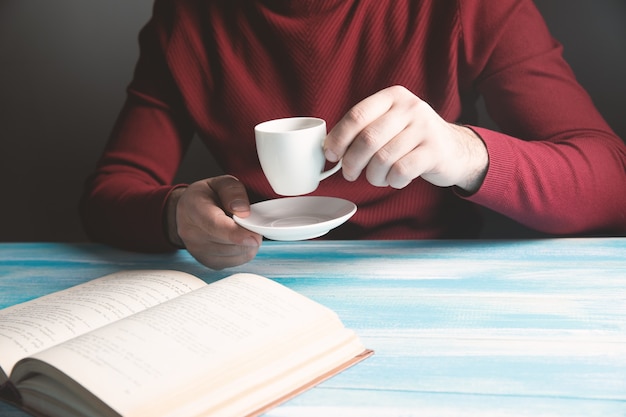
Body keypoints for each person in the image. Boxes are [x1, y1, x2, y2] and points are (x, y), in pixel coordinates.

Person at [80, 0, 626, 270]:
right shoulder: (189, 17)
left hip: (435, 277)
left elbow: (612, 183)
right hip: (258, 287)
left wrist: (463, 151)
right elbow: (110, 193)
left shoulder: (469, 6)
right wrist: (176, 214)